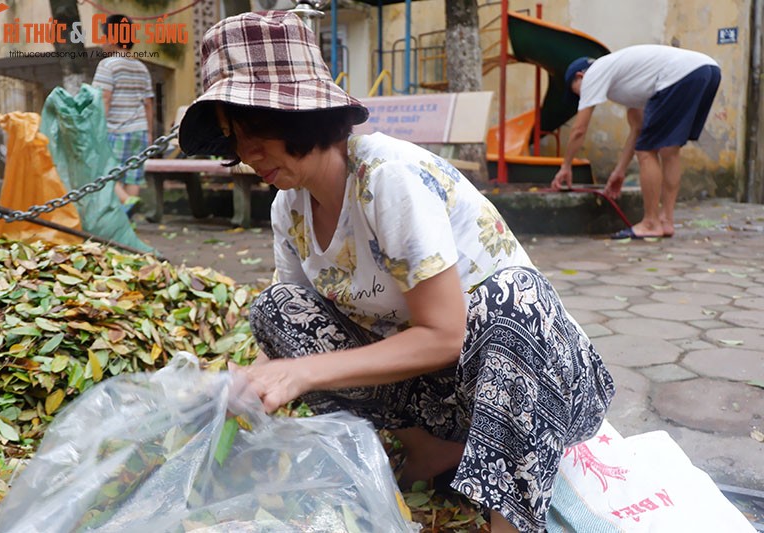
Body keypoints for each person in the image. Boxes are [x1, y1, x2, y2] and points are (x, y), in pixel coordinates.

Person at [179, 11, 615, 533]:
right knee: (277, 312)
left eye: (256, 132)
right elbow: (290, 334)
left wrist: (302, 374)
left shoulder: (388, 178)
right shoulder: (288, 207)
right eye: (233, 138)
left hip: (534, 387)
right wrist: (247, 383)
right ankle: (432, 450)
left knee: (512, 297)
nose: (246, 155)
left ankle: (511, 519)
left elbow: (445, 335)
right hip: (439, 396)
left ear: (302, 117)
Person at [551, 45, 721, 239]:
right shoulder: (627, 82)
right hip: (707, 70)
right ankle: (666, 221)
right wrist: (619, 171)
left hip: (682, 74)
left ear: (580, 76)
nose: (579, 97)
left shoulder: (594, 73)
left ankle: (650, 223)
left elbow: (579, 130)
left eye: (575, 92)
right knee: (669, 150)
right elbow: (637, 129)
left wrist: (565, 167)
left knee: (647, 151)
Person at [92, 13, 154, 216]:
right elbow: (148, 103)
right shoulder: (141, 67)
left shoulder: (107, 65)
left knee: (104, 170)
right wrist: (150, 134)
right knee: (133, 176)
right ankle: (128, 221)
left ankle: (127, 201)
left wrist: (97, 128)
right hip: (140, 130)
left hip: (115, 129)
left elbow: (104, 99)